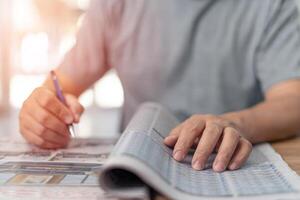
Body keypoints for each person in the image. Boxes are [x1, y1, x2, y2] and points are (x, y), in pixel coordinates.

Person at [19, 0, 300, 172]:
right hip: (135, 173)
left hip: (230, 166)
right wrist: (42, 112)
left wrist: (236, 123)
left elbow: (292, 101)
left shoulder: (274, 5)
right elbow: (61, 85)